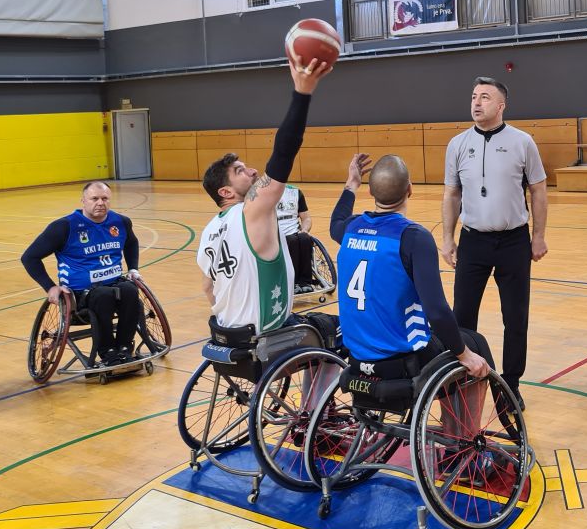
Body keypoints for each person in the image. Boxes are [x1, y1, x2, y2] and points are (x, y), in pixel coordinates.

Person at [197, 56, 331, 333]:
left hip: (227, 330)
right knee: (341, 332)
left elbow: (208, 287)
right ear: (225, 191)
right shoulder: (250, 212)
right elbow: (283, 152)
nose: (253, 171)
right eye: (240, 171)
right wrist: (302, 92)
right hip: (269, 332)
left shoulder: (209, 232)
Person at [332, 153, 492, 381]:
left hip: (356, 352)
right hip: (400, 355)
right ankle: (470, 407)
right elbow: (436, 311)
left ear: (370, 191)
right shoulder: (413, 238)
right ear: (410, 189)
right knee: (475, 344)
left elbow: (335, 223)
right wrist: (464, 354)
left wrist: (351, 183)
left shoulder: (350, 229)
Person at [442, 77, 547, 409]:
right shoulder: (457, 144)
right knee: (462, 316)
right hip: (473, 241)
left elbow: (538, 190)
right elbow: (452, 194)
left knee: (515, 318)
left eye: (485, 97)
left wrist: (538, 236)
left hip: (514, 242)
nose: (476, 102)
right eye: (474, 96)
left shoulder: (523, 142)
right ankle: (460, 381)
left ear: (501, 105)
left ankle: (511, 385)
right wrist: (447, 238)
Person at [21, 181, 141, 366]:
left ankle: (124, 348)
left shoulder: (121, 222)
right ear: (83, 201)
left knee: (131, 291)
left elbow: (131, 243)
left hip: (114, 283)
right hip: (80, 294)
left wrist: (133, 268)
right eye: (94, 198)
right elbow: (29, 257)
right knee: (103, 296)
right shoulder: (64, 227)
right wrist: (50, 287)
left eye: (105, 198)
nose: (100, 203)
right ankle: (108, 352)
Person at [277, 185, 319, 294]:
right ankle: (293, 281)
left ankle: (305, 282)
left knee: (305, 238)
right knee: (292, 241)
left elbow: (306, 218)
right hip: (274, 233)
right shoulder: (262, 193)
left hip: (295, 231)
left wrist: (305, 229)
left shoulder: (295, 192)